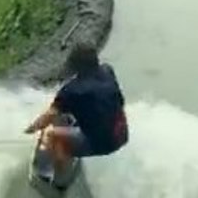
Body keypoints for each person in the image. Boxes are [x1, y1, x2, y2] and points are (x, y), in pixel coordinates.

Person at [24, 43, 129, 180]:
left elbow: (47, 117)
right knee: (63, 119)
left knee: (49, 134)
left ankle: (48, 177)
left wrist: (28, 132)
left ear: (75, 66)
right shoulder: (107, 71)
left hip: (101, 143)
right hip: (121, 135)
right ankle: (67, 157)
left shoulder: (72, 91)